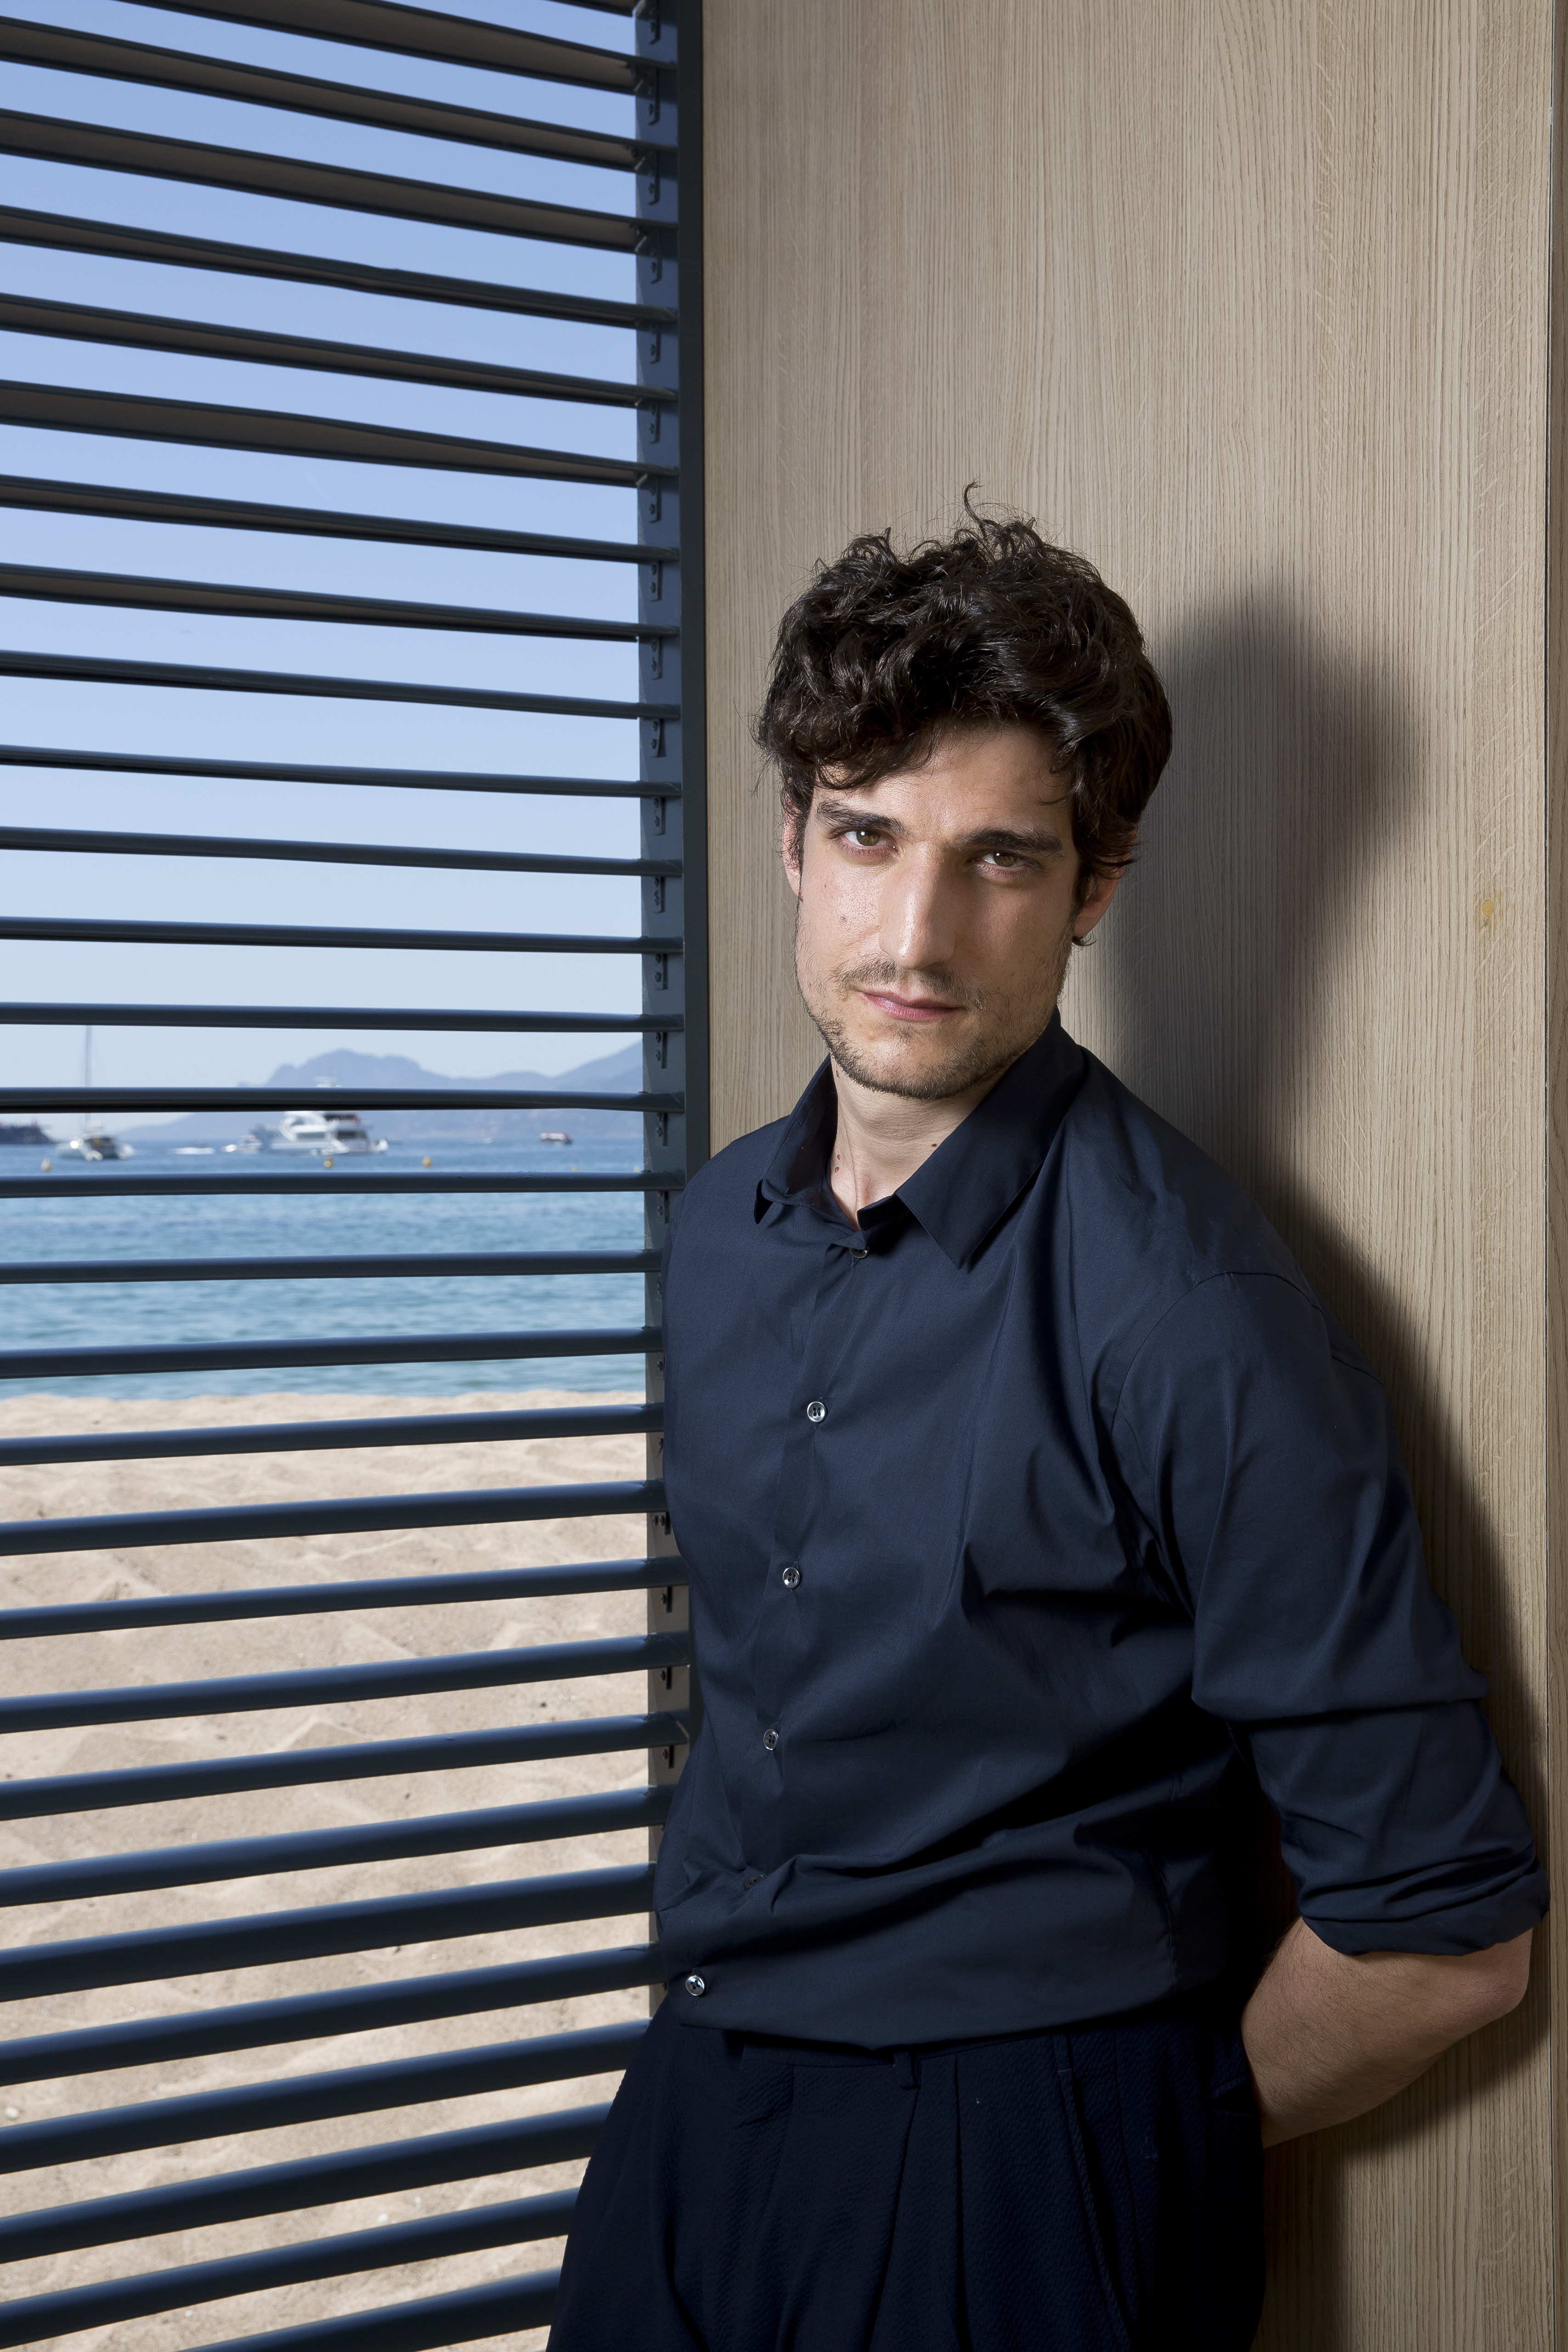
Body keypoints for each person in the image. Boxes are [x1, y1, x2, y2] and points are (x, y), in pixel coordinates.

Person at [549, 509, 1545, 2350]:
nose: (913, 933)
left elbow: (1440, 1928)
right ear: (792, 842)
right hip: (694, 2107)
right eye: (867, 835)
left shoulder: (1193, 1318)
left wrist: (1124, 2150)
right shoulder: (713, 1232)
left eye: (998, 857)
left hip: (1012, 2170)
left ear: (1093, 888)